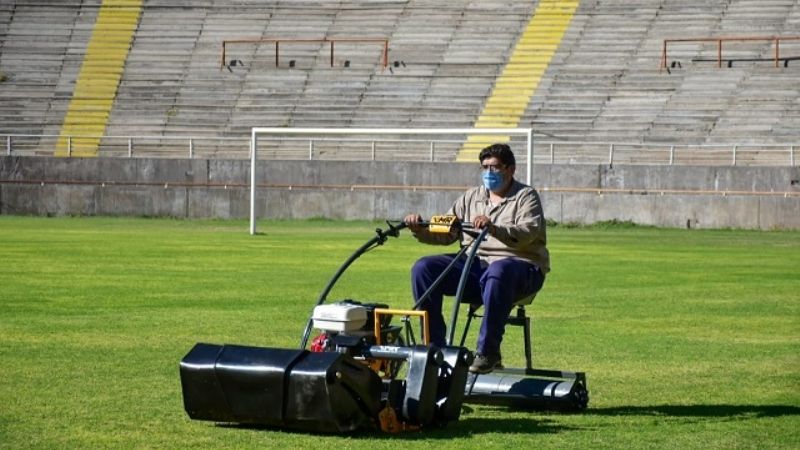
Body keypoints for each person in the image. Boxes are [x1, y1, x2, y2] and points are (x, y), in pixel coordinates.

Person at [404, 143, 549, 374]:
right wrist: (419, 229)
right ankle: (435, 349)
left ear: (511, 169)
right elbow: (448, 231)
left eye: (495, 167)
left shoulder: (526, 197)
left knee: (499, 270)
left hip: (521, 269)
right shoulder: (471, 197)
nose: (489, 173)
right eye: (485, 167)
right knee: (424, 268)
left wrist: (494, 229)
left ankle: (488, 352)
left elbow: (527, 234)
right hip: (476, 266)